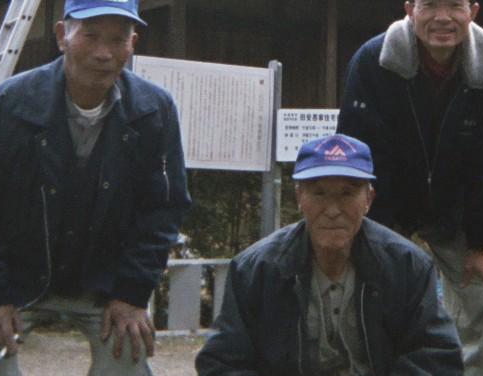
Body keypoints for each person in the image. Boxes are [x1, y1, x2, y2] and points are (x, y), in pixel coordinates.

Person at [0, 0, 191, 376]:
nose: (104, 53)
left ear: (133, 44)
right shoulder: (12, 103)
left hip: (106, 286)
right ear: (62, 35)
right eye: (90, 35)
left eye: (117, 39)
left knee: (126, 362)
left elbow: (163, 209)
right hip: (14, 280)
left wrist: (131, 292)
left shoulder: (154, 112)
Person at [337, 0, 483, 376]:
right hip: (385, 206)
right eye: (429, 3)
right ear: (409, 8)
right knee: (367, 299)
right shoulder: (372, 63)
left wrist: (481, 242)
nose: (442, 17)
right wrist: (368, 234)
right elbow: (356, 151)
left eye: (454, 4)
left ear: (473, 11)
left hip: (459, 209)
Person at [196, 134, 464, 375]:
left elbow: (437, 358)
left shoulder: (408, 267)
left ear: (368, 200)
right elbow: (221, 363)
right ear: (299, 197)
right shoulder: (255, 271)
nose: (333, 209)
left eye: (347, 193)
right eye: (319, 193)